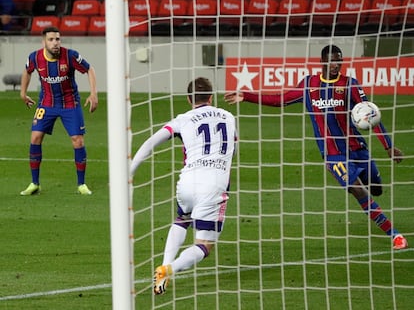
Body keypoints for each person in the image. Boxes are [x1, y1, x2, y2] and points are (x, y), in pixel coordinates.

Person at [224, 44, 408, 250]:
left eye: (339, 61)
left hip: (357, 148)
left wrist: (388, 146)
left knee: (376, 188)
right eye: (331, 61)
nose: (335, 65)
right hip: (333, 155)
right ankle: (395, 235)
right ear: (322, 62)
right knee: (359, 191)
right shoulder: (309, 85)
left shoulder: (350, 85)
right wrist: (247, 96)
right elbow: (280, 99)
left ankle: (372, 188)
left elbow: (371, 115)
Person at [131, 77, 238, 295]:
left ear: (189, 99)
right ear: (211, 96)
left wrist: (130, 171)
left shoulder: (183, 118)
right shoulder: (229, 116)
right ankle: (169, 269)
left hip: (187, 182)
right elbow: (232, 151)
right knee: (204, 245)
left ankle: (162, 270)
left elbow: (151, 142)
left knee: (182, 219)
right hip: (214, 184)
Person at [20, 26, 98, 196]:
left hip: (70, 104)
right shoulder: (35, 57)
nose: (55, 43)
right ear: (44, 42)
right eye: (51, 40)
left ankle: (81, 184)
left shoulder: (70, 56)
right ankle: (34, 183)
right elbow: (27, 72)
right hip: (46, 103)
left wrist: (93, 94)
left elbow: (90, 69)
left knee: (78, 141)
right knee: (35, 137)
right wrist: (23, 93)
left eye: (57, 39)